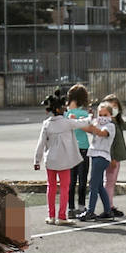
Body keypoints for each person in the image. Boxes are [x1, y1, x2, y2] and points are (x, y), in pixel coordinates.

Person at [32, 93, 88, 226]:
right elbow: (83, 123)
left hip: (50, 160)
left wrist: (36, 160)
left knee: (51, 187)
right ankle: (61, 216)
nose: (65, 109)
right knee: (64, 188)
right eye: (63, 107)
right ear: (58, 109)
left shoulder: (46, 124)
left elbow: (41, 143)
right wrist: (90, 116)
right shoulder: (67, 122)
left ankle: (51, 215)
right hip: (64, 161)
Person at [81, 100, 118, 221]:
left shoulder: (110, 126)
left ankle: (90, 211)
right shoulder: (97, 123)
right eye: (100, 115)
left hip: (102, 157)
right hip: (95, 155)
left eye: (105, 115)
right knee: (99, 185)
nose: (102, 117)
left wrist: (92, 127)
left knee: (93, 184)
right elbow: (89, 129)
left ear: (110, 115)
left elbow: (102, 133)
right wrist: (81, 123)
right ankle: (107, 210)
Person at [66, 84, 92, 219]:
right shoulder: (84, 114)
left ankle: (71, 208)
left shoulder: (64, 114)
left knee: (70, 180)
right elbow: (90, 128)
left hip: (70, 149)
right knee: (82, 180)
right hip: (83, 148)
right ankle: (81, 207)